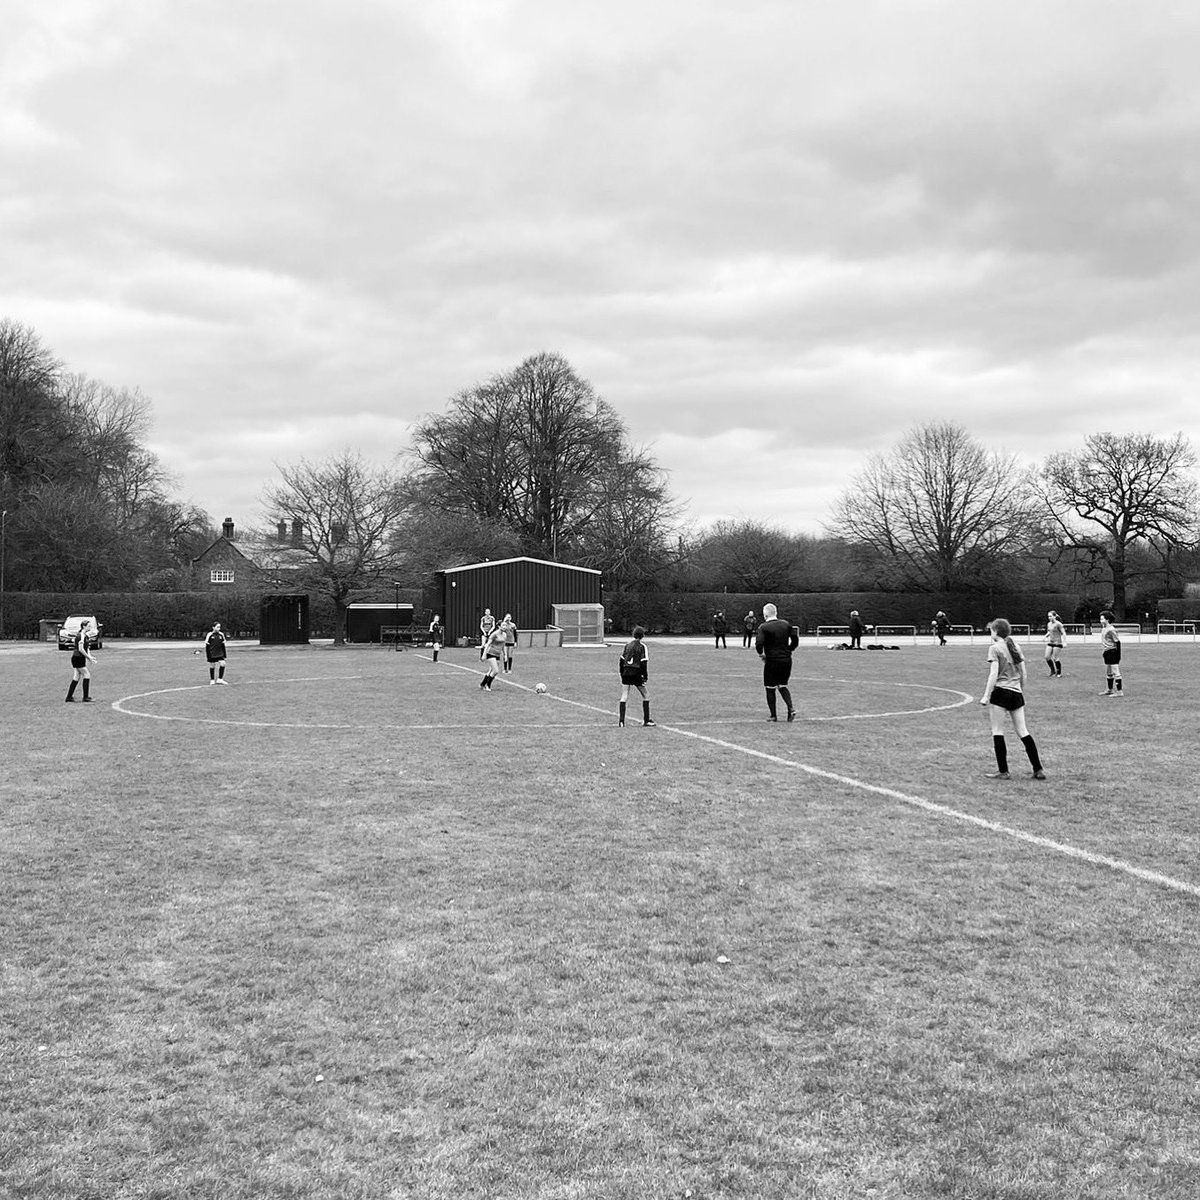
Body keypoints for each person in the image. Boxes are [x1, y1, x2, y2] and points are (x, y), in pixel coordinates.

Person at [980, 617, 1045, 780]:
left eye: (991, 630)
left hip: (1001, 692)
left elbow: (993, 674)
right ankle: (1038, 769)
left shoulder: (994, 648)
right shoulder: (1015, 646)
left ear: (995, 632)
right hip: (1016, 693)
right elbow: (1024, 673)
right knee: (1023, 731)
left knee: (997, 731)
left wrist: (986, 695)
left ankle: (1003, 771)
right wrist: (1020, 690)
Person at [755, 602, 799, 722]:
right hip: (786, 660)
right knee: (782, 685)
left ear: (765, 615)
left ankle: (773, 715)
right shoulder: (786, 624)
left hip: (772, 660)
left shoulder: (763, 627)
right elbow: (795, 639)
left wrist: (761, 654)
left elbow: (759, 643)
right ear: (776, 613)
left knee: (770, 687)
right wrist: (790, 649)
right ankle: (791, 709)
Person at [618, 625, 654, 727]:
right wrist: (645, 676)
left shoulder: (627, 645)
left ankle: (621, 721)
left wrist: (622, 673)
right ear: (642, 636)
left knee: (624, 695)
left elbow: (621, 660)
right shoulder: (642, 647)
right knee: (646, 695)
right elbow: (643, 663)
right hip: (636, 672)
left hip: (626, 672)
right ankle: (646, 720)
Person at [65, 619, 97, 703]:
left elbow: (87, 648)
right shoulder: (81, 636)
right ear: (84, 626)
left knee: (76, 676)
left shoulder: (85, 635)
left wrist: (90, 656)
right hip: (78, 657)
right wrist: (88, 658)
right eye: (89, 626)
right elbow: (81, 649)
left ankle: (69, 697)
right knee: (87, 675)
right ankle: (85, 697)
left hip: (79, 657)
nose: (90, 627)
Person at [1098, 610, 1124, 696]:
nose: (1100, 621)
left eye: (1102, 619)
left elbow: (1117, 642)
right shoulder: (1104, 629)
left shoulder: (1111, 630)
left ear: (1107, 619)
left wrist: (1118, 655)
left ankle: (1119, 691)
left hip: (1112, 652)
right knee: (1108, 672)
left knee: (1115, 671)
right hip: (1107, 652)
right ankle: (1110, 689)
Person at [479, 623, 506, 689]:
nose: (505, 627)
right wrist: (484, 655)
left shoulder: (504, 635)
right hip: (491, 653)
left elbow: (503, 645)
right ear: (499, 626)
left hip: (497, 654)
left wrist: (505, 655)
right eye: (503, 625)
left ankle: (482, 684)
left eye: (505, 625)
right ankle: (488, 686)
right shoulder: (494, 634)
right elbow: (487, 644)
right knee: (495, 671)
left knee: (491, 671)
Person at [1044, 610, 1065, 677]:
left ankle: (1059, 673)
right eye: (1048, 616)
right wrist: (1045, 636)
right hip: (1050, 642)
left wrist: (1064, 642)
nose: (1049, 617)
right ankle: (1052, 671)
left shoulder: (1058, 624)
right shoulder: (1049, 624)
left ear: (1054, 616)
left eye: (1051, 616)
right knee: (1047, 657)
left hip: (1057, 642)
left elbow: (1063, 633)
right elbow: (1050, 631)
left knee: (1055, 657)